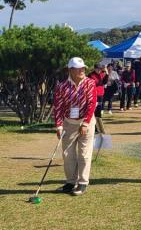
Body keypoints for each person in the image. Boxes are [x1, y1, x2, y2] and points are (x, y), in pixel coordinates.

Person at [52, 57, 96, 196]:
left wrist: (85, 123)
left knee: (84, 153)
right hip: (68, 123)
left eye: (83, 68)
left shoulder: (90, 83)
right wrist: (59, 126)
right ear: (70, 70)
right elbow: (58, 107)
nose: (82, 70)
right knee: (68, 155)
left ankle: (83, 182)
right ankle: (71, 181)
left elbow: (92, 104)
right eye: (78, 68)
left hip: (86, 122)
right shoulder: (61, 87)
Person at [88, 63, 108, 134]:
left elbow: (105, 82)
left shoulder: (102, 74)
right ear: (95, 68)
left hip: (100, 94)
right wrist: (102, 78)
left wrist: (107, 73)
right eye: (98, 69)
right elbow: (97, 83)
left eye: (100, 69)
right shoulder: (91, 75)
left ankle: (98, 128)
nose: (99, 70)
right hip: (94, 94)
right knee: (93, 110)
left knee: (99, 111)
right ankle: (93, 127)